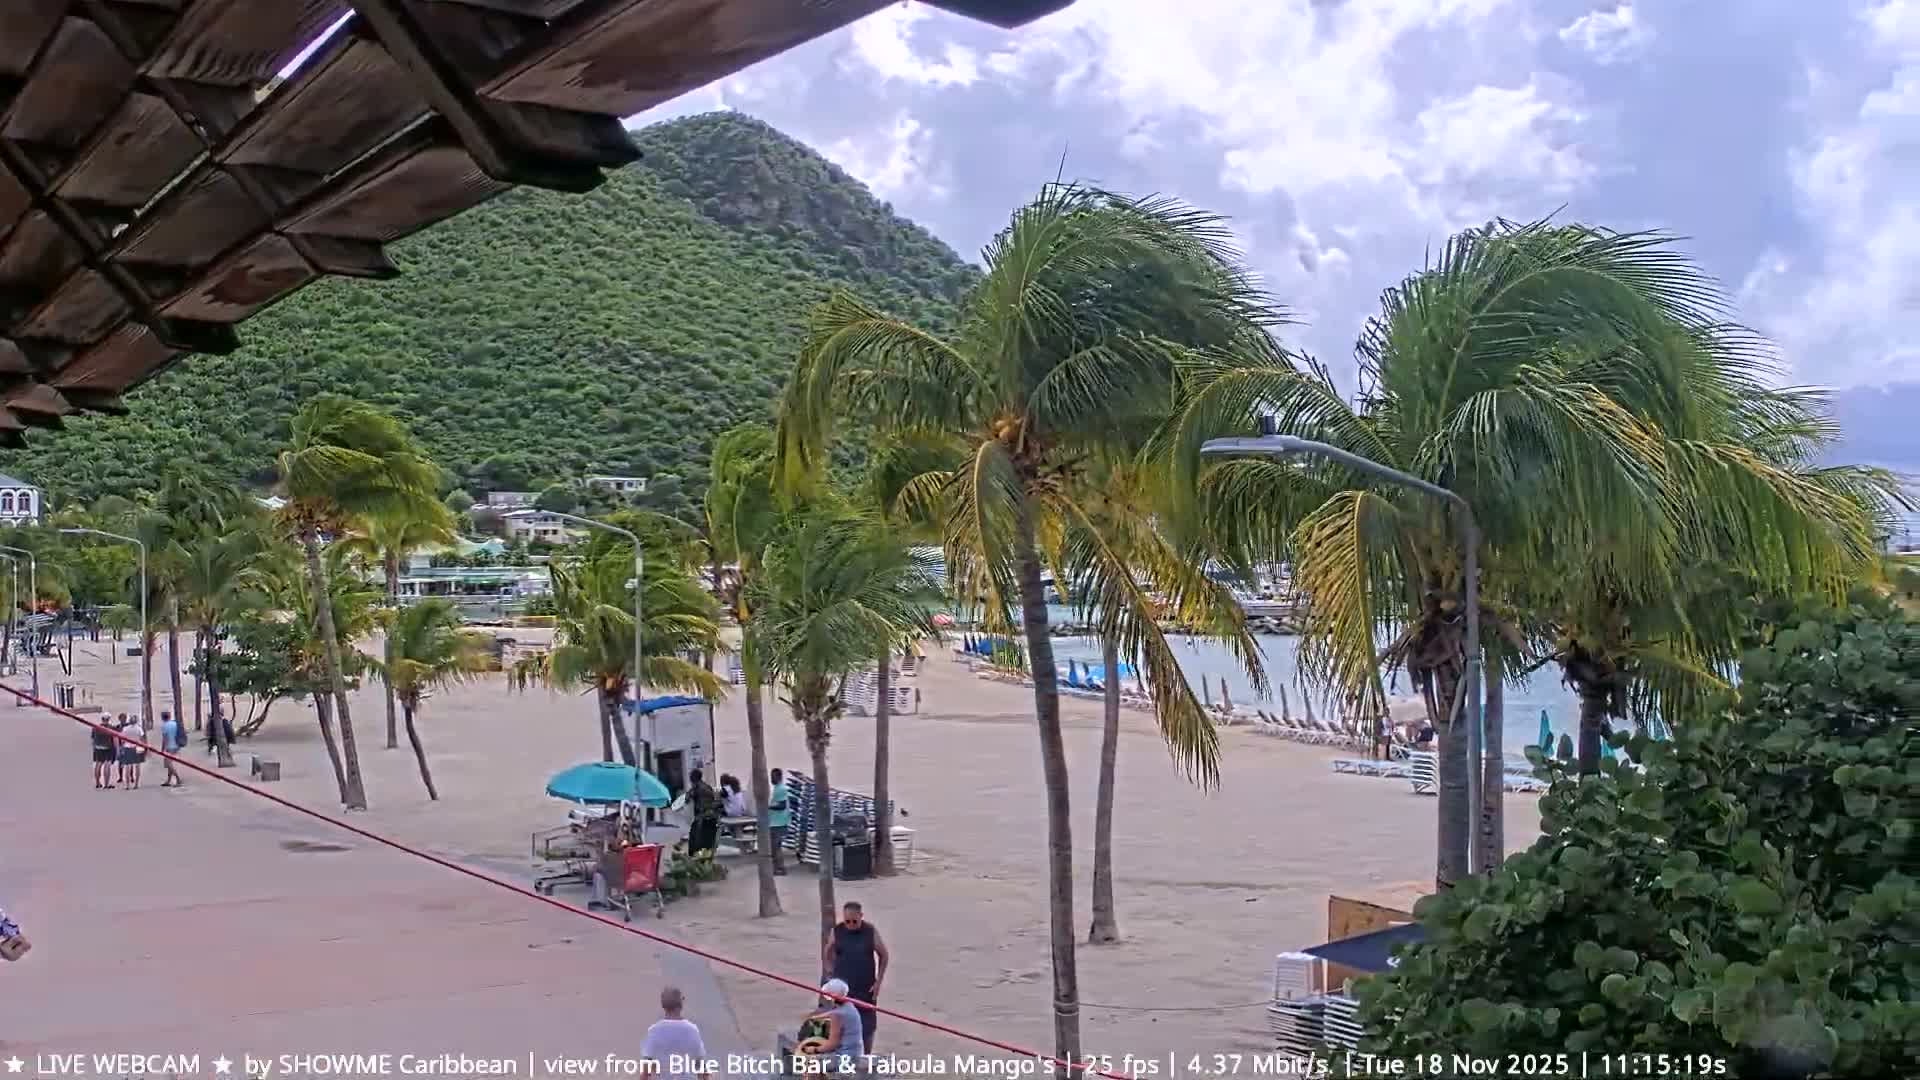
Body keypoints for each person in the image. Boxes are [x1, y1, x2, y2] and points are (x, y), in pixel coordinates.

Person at [823, 901, 887, 1055]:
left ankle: (866, 1057)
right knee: (840, 1023)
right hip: (843, 989)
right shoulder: (837, 931)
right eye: (847, 921)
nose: (850, 925)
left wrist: (878, 982)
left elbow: (884, 955)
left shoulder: (870, 931)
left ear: (861, 916)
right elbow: (827, 950)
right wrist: (829, 971)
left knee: (867, 1026)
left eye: (854, 921)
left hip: (866, 988)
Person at [777, 980, 863, 1074]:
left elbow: (832, 1044)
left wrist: (814, 1049)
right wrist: (816, 1017)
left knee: (809, 1062)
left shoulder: (837, 1016)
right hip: (855, 1052)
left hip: (844, 1059)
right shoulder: (849, 1006)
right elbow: (834, 1013)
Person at [639, 986, 711, 1080]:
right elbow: (701, 1065)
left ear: (663, 1006)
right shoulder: (692, 1030)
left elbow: (646, 1070)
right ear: (681, 1004)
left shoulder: (654, 1031)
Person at [686, 769, 721, 856]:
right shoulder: (707, 786)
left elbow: (687, 799)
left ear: (693, 779)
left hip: (702, 818)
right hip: (712, 817)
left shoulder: (696, 788)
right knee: (708, 842)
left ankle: (698, 860)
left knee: (695, 843)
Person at [767, 768, 791, 875]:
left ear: (779, 777)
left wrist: (769, 806)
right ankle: (779, 868)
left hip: (778, 823)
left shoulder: (781, 789)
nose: (771, 778)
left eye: (773, 777)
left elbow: (782, 805)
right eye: (771, 776)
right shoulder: (777, 788)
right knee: (776, 847)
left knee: (775, 848)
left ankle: (779, 868)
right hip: (776, 822)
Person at [158, 711, 184, 788]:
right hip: (176, 746)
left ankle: (178, 779)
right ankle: (168, 780)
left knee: (169, 764)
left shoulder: (165, 726)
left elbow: (165, 738)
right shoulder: (174, 723)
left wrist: (163, 749)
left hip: (169, 747)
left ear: (163, 718)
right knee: (170, 764)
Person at [90, 718, 117, 789]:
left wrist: (94, 747)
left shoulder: (95, 727)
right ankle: (106, 784)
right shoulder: (111, 728)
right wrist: (116, 748)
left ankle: (98, 783)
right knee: (107, 764)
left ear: (102, 719)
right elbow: (114, 739)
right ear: (108, 719)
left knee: (98, 764)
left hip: (98, 747)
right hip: (108, 747)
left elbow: (92, 739)